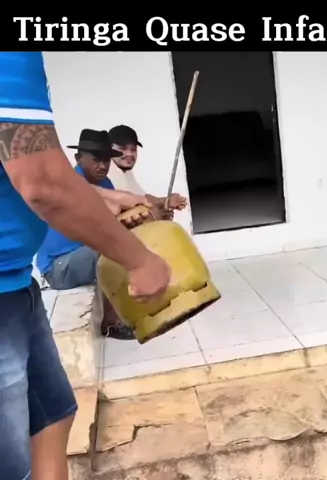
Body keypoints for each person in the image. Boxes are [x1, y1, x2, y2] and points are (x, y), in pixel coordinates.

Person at [0, 52, 171, 479]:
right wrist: (139, 259)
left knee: (53, 417)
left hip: (16, 286)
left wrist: (138, 203)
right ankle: (116, 321)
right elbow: (44, 185)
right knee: (10, 461)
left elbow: (85, 192)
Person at [36, 128, 137, 340]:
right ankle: (111, 324)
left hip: (81, 255)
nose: (103, 166)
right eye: (96, 160)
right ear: (78, 158)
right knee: (112, 250)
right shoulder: (70, 184)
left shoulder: (105, 183)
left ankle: (133, 307)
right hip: (58, 267)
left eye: (106, 160)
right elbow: (110, 213)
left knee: (127, 241)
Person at [108, 124, 188, 219]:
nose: (129, 154)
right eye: (122, 148)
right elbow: (122, 214)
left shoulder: (124, 171)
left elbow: (142, 197)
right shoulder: (107, 171)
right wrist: (155, 215)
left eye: (133, 149)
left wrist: (166, 201)